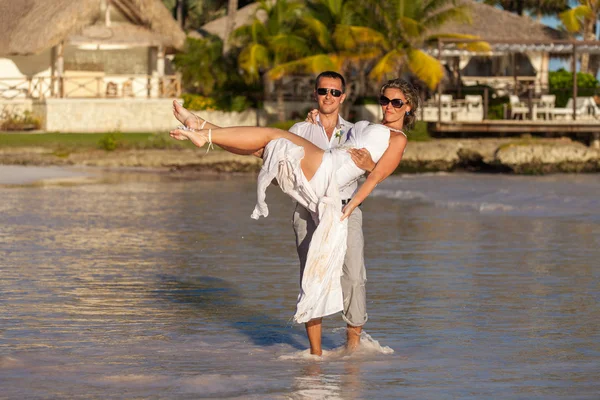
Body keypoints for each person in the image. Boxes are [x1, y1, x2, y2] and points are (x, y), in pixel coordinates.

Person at [169, 78, 418, 355]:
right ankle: (201, 127)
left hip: (330, 178)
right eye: (385, 100)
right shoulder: (361, 127)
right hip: (318, 181)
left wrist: (351, 206)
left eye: (397, 103)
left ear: (408, 108)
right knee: (266, 148)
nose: (389, 107)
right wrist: (317, 122)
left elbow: (377, 177)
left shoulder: (397, 138)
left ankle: (203, 131)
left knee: (272, 137)